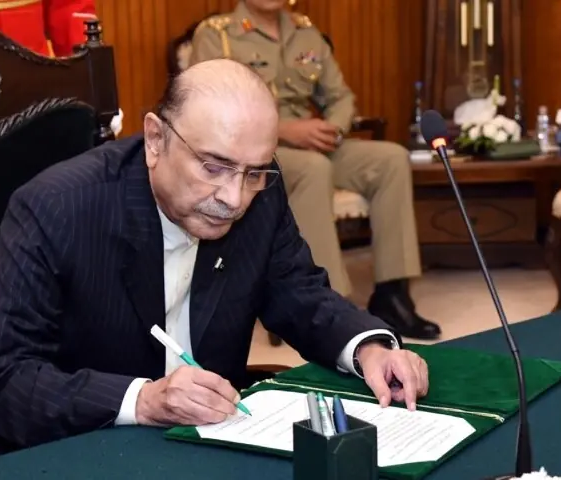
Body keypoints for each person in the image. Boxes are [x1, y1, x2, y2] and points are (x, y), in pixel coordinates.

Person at [0, 59, 430, 463]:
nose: (233, 198)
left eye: (253, 173)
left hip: (193, 446)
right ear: (154, 140)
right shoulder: (56, 208)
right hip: (48, 450)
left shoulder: (260, 190)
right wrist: (143, 400)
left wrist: (368, 347)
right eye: (213, 167)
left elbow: (298, 291)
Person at [188, 0, 441, 340]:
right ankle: (326, 305)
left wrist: (332, 130)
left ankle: (393, 294)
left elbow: (341, 98)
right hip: (251, 151)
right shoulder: (217, 35)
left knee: (391, 159)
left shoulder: (306, 33)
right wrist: (286, 130)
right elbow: (208, 106)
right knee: (313, 168)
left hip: (313, 143)